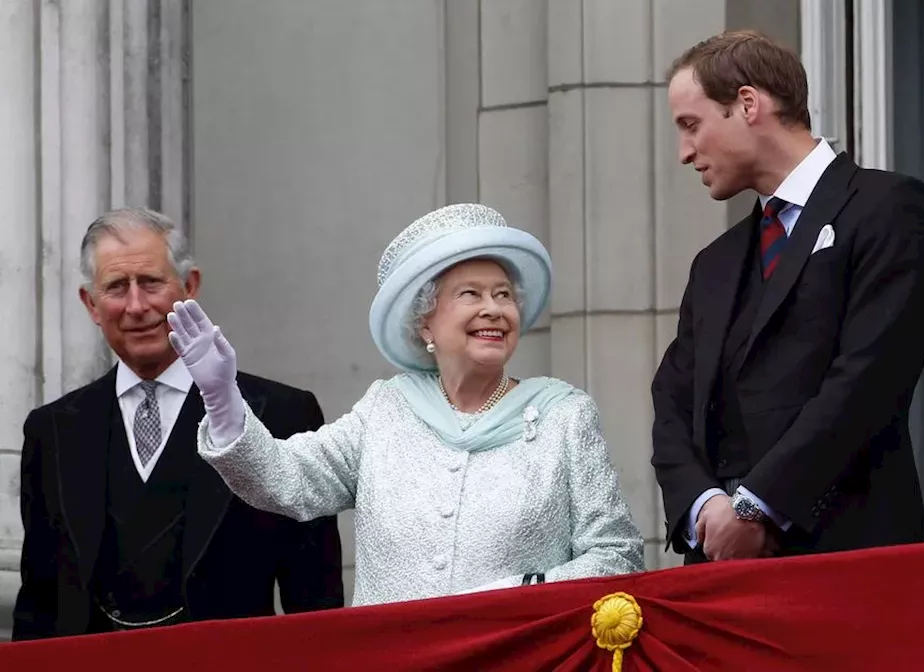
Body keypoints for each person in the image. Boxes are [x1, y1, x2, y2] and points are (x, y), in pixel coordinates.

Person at [166, 203, 643, 607]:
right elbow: (287, 482)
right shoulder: (385, 411)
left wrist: (525, 591)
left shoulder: (564, 416)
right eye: (470, 295)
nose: (494, 309)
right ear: (426, 324)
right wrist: (222, 398)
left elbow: (616, 553)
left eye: (503, 295)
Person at [651, 31, 924, 563]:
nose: (684, 153)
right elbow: (672, 403)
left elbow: (868, 379)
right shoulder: (714, 263)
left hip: (850, 559)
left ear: (747, 104)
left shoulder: (889, 208)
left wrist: (756, 508)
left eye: (691, 126)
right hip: (719, 573)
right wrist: (706, 511)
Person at [13, 208, 344, 640]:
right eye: (116, 287)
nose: (136, 305)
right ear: (91, 304)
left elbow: (314, 598)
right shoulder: (53, 430)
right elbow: (40, 603)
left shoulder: (281, 413)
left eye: (151, 282)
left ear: (189, 286)